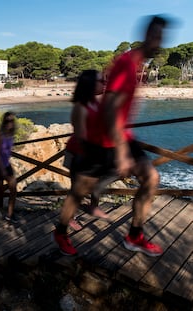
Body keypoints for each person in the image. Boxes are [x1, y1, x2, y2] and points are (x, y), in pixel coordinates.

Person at [53, 15, 169, 256]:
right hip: (101, 142)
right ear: (148, 36)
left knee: (151, 178)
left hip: (121, 136)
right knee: (78, 193)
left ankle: (135, 235)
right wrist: (122, 153)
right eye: (158, 37)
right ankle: (61, 232)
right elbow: (109, 110)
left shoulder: (137, 66)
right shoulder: (125, 64)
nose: (161, 43)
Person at [63, 69, 110, 230]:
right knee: (76, 190)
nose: (104, 83)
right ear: (90, 84)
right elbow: (81, 136)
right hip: (78, 153)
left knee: (84, 187)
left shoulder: (95, 103)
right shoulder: (80, 107)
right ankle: (68, 220)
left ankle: (90, 207)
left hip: (89, 153)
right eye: (101, 81)